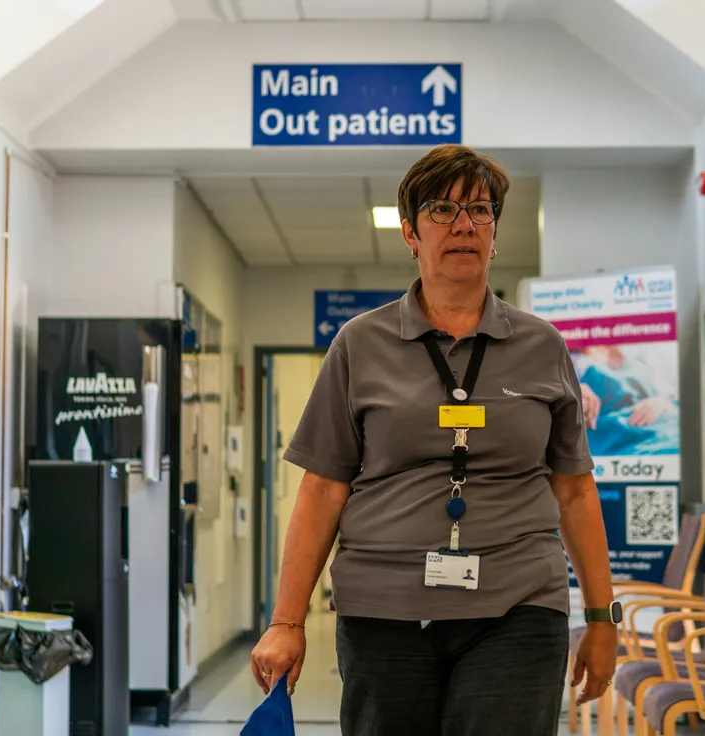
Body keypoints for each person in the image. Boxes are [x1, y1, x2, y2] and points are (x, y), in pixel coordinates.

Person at [250, 145, 619, 735]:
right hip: (383, 612)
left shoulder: (542, 346)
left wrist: (602, 619)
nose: (464, 224)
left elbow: (574, 491)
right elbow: (322, 490)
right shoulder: (359, 344)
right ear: (411, 233)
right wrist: (287, 621)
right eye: (443, 209)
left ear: (495, 233)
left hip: (517, 604)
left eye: (480, 210)